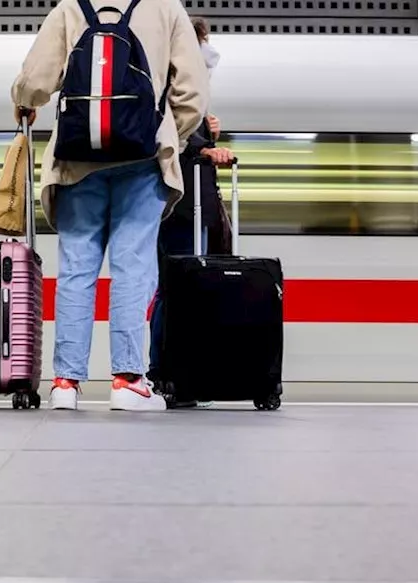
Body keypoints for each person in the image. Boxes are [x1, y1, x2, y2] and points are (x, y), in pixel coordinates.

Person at [11, 0, 209, 412]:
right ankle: (128, 381)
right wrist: (169, 135)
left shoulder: (70, 7)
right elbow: (192, 92)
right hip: (143, 160)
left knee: (77, 269)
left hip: (77, 160)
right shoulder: (165, 8)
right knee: (132, 267)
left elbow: (34, 82)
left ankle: (65, 383)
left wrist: (23, 99)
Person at [147, 16, 236, 392]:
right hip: (182, 205)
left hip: (176, 203)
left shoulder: (174, 90)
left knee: (172, 286)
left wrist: (208, 135)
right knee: (179, 286)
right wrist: (206, 149)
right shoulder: (173, 89)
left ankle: (168, 372)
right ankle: (170, 374)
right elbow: (173, 144)